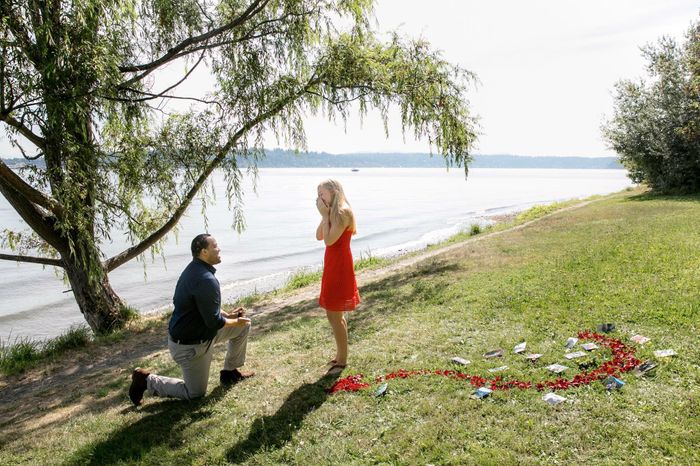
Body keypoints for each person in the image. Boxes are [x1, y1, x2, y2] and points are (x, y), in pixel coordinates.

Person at [128, 234, 254, 405]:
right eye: (215, 246)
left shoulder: (194, 269)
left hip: (201, 334)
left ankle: (229, 373)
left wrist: (229, 316)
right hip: (190, 346)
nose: (219, 249)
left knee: (243, 327)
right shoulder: (206, 279)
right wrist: (235, 321)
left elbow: (204, 307)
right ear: (204, 252)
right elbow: (214, 322)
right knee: (195, 393)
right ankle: (145, 380)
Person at [316, 179, 360, 373]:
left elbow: (329, 240)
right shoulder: (332, 212)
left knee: (335, 315)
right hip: (331, 265)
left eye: (322, 194)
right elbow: (319, 235)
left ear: (333, 191)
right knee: (332, 314)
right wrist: (324, 215)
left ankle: (342, 360)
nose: (319, 198)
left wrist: (325, 216)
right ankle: (340, 356)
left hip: (340, 267)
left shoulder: (343, 212)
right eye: (318, 195)